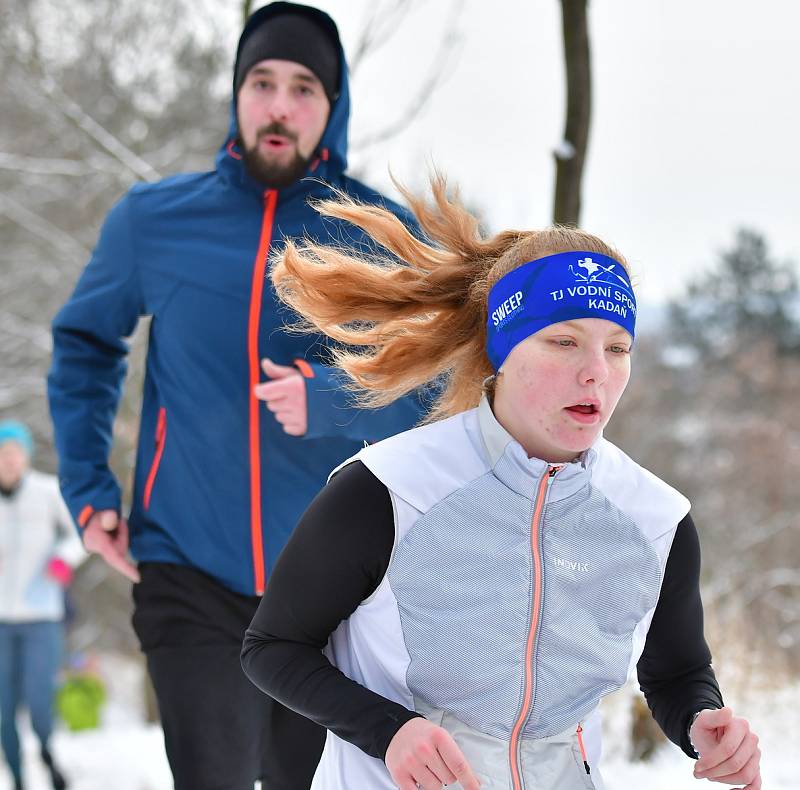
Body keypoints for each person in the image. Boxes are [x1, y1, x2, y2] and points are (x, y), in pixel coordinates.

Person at [241, 178, 763, 790]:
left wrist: (702, 721)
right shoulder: (390, 489)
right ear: (504, 349)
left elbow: (676, 670)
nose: (595, 372)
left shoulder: (655, 518)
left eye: (617, 348)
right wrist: (391, 731)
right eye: (563, 341)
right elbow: (273, 646)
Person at [46, 3, 425, 788]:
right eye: (262, 82)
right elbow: (85, 345)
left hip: (330, 592)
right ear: (237, 94)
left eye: (303, 88)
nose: (279, 105)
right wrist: (89, 491)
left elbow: (438, 390)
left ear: (332, 108)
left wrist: (331, 401)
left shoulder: (380, 235)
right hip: (187, 568)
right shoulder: (154, 221)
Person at [0, 421, 84, 790]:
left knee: (38, 700)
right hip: (1, 619)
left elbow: (80, 535)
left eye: (15, 453)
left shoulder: (47, 491)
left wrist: (63, 558)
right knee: (3, 707)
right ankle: (17, 777)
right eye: (3, 454)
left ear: (26, 456)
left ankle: (47, 752)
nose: (9, 461)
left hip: (42, 616)